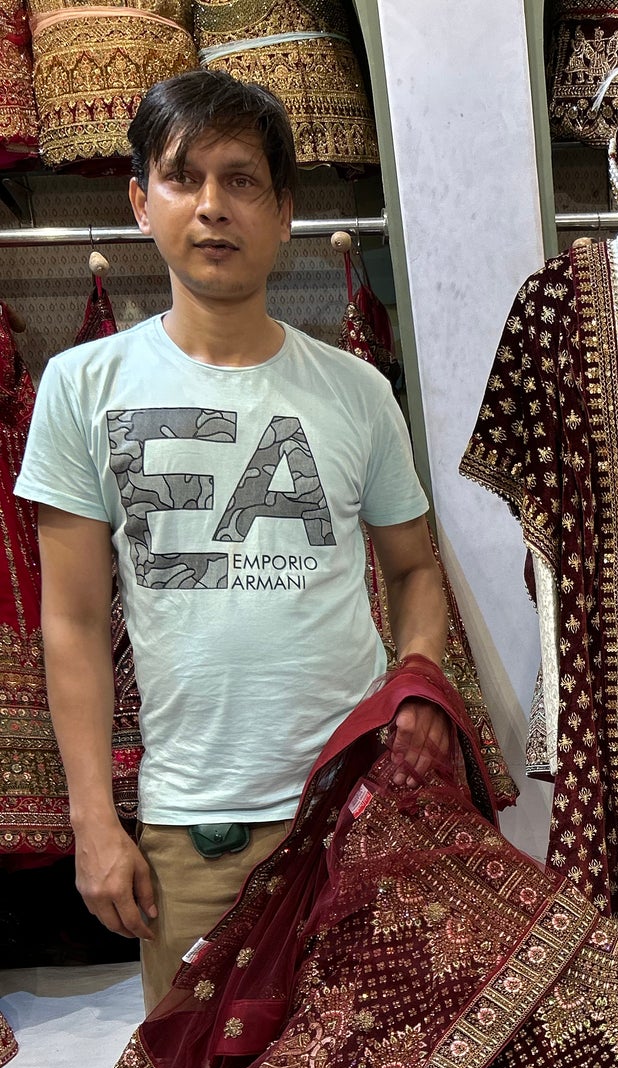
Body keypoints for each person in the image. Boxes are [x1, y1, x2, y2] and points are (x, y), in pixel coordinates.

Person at [17, 69, 455, 1010]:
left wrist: (416, 683)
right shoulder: (82, 388)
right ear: (141, 200)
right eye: (184, 177)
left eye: (242, 180)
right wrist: (94, 820)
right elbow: (74, 620)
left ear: (284, 210)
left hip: (354, 807)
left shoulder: (355, 392)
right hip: (193, 829)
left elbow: (416, 570)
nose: (213, 207)